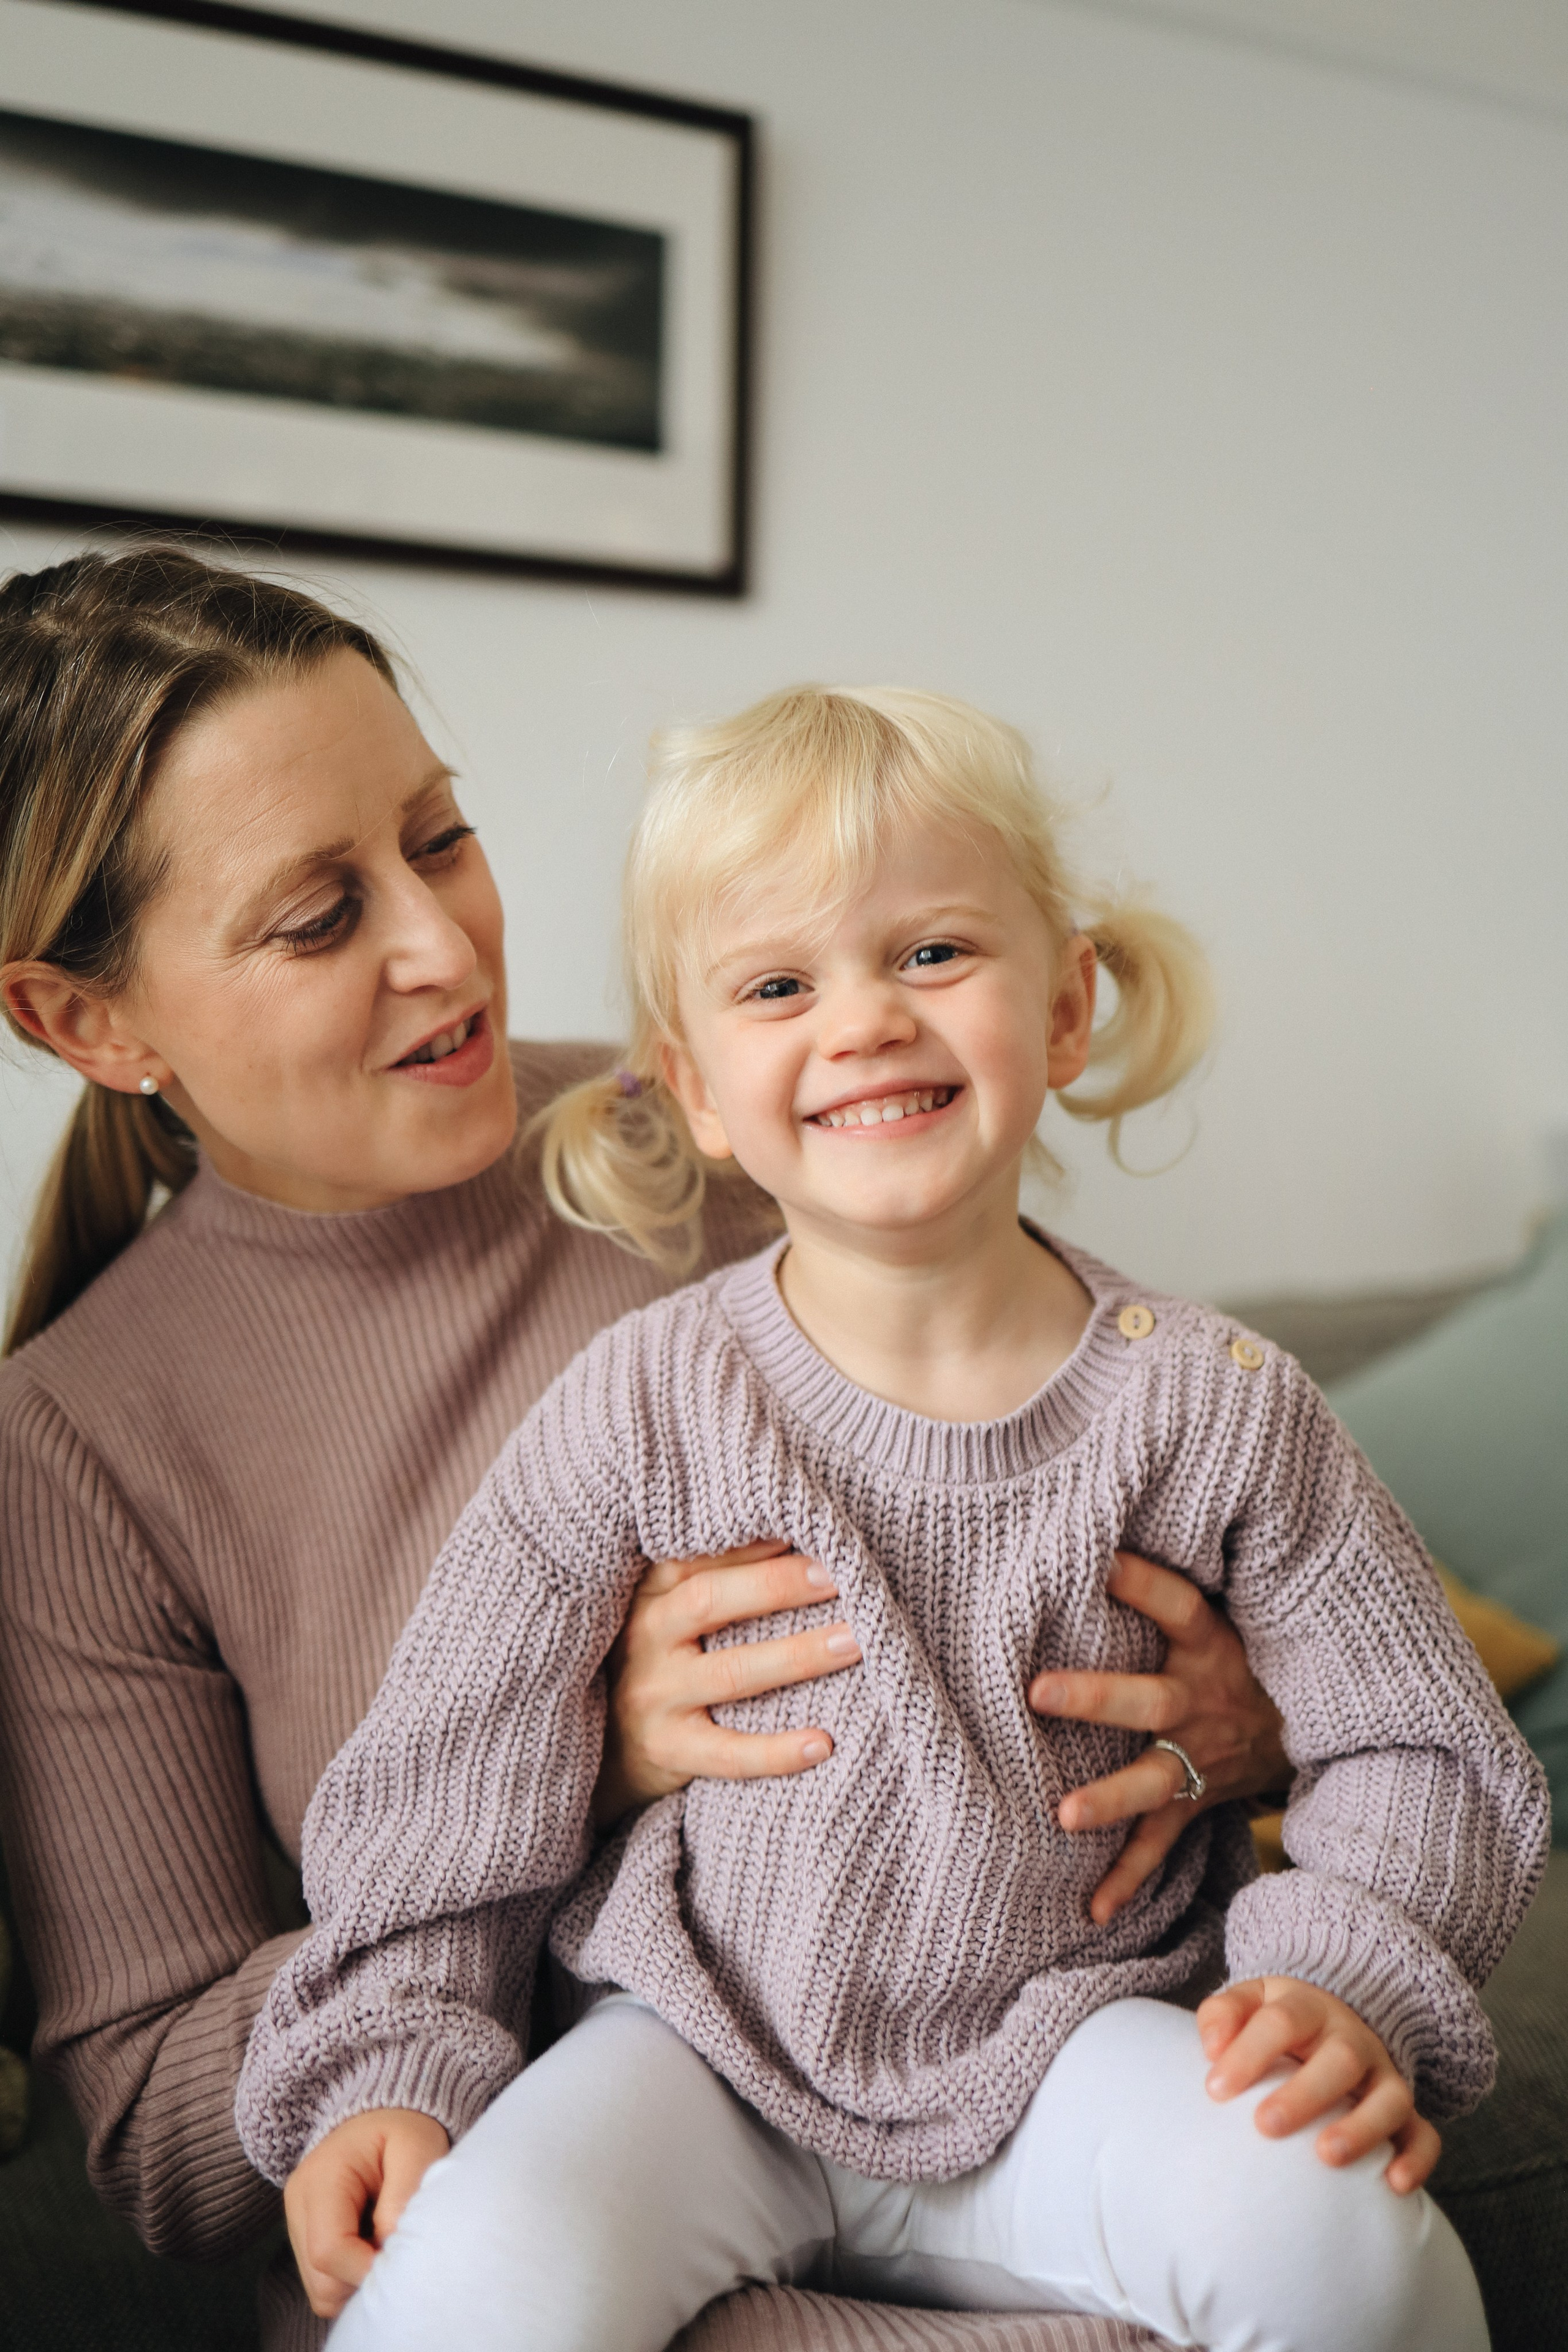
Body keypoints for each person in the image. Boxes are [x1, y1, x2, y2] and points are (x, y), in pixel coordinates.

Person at [0, 554, 1289, 2352]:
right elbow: (158, 2138)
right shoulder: (78, 1440)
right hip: (571, 2244)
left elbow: (1182, 1484)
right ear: (87, 1021)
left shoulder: (729, 1102)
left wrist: (1258, 1724)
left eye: (438, 838)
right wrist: (549, 1779)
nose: (444, 947)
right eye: (316, 917)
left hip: (1032, 2146)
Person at [241, 683, 1550, 2352]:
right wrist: (393, 2058)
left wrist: (1343, 1983)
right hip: (695, 2052)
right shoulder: (641, 1402)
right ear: (698, 1089)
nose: (861, 1021)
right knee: (467, 2296)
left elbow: (1422, 1750)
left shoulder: (1221, 1406)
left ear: (1065, 1009)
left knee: (1369, 2262)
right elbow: (449, 1775)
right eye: (779, 986)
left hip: (1087, 2038)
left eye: (931, 953)